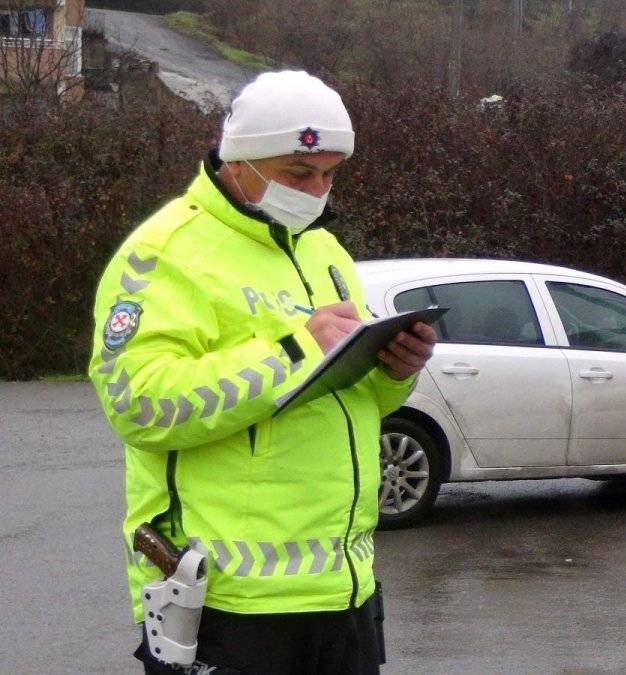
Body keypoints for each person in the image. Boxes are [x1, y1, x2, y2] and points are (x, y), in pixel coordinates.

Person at [88, 70, 436, 674]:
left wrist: (392, 371)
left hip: (343, 591)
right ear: (238, 160)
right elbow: (136, 404)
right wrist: (293, 351)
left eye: (330, 174)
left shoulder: (323, 251)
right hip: (227, 603)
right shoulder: (163, 253)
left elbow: (341, 403)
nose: (317, 190)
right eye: (299, 174)